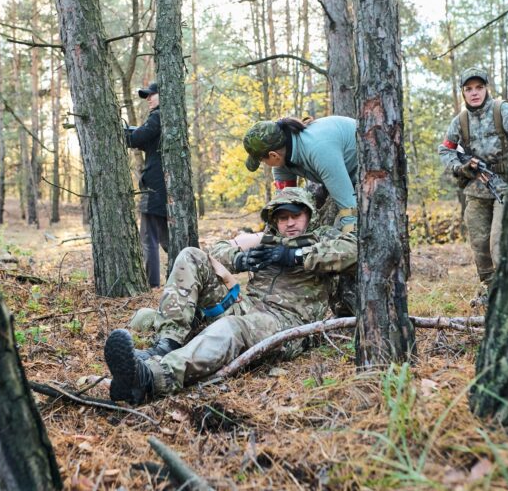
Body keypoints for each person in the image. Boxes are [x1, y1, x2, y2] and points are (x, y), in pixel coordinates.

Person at [104, 188, 357, 405]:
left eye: (296, 216)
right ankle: (166, 344)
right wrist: (241, 258)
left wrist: (297, 256)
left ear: (309, 215)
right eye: (282, 218)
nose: (290, 223)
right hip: (248, 307)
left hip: (286, 324)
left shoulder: (324, 237)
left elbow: (355, 250)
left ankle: (151, 378)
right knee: (191, 256)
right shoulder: (267, 239)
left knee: (232, 327)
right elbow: (217, 250)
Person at [438, 67, 508, 303]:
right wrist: (460, 167)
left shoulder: (504, 111)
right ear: (463, 92)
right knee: (480, 244)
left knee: (498, 242)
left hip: (506, 188)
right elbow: (445, 149)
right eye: (468, 89)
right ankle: (490, 291)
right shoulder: (460, 121)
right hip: (476, 190)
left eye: (479, 87)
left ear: (486, 88)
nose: (474, 93)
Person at [242, 116, 358, 233]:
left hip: (367, 176)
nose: (265, 164)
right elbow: (282, 205)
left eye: (262, 161)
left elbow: (350, 209)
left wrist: (351, 242)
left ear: (273, 155)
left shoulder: (318, 150)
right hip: (341, 176)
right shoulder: (282, 161)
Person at [125, 82, 168, 288]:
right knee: (165, 238)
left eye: (152, 95)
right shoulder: (166, 119)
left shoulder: (158, 117)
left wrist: (124, 133)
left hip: (155, 188)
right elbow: (144, 140)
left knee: (149, 237)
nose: (149, 98)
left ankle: (152, 284)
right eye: (147, 96)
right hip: (160, 187)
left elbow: (137, 137)